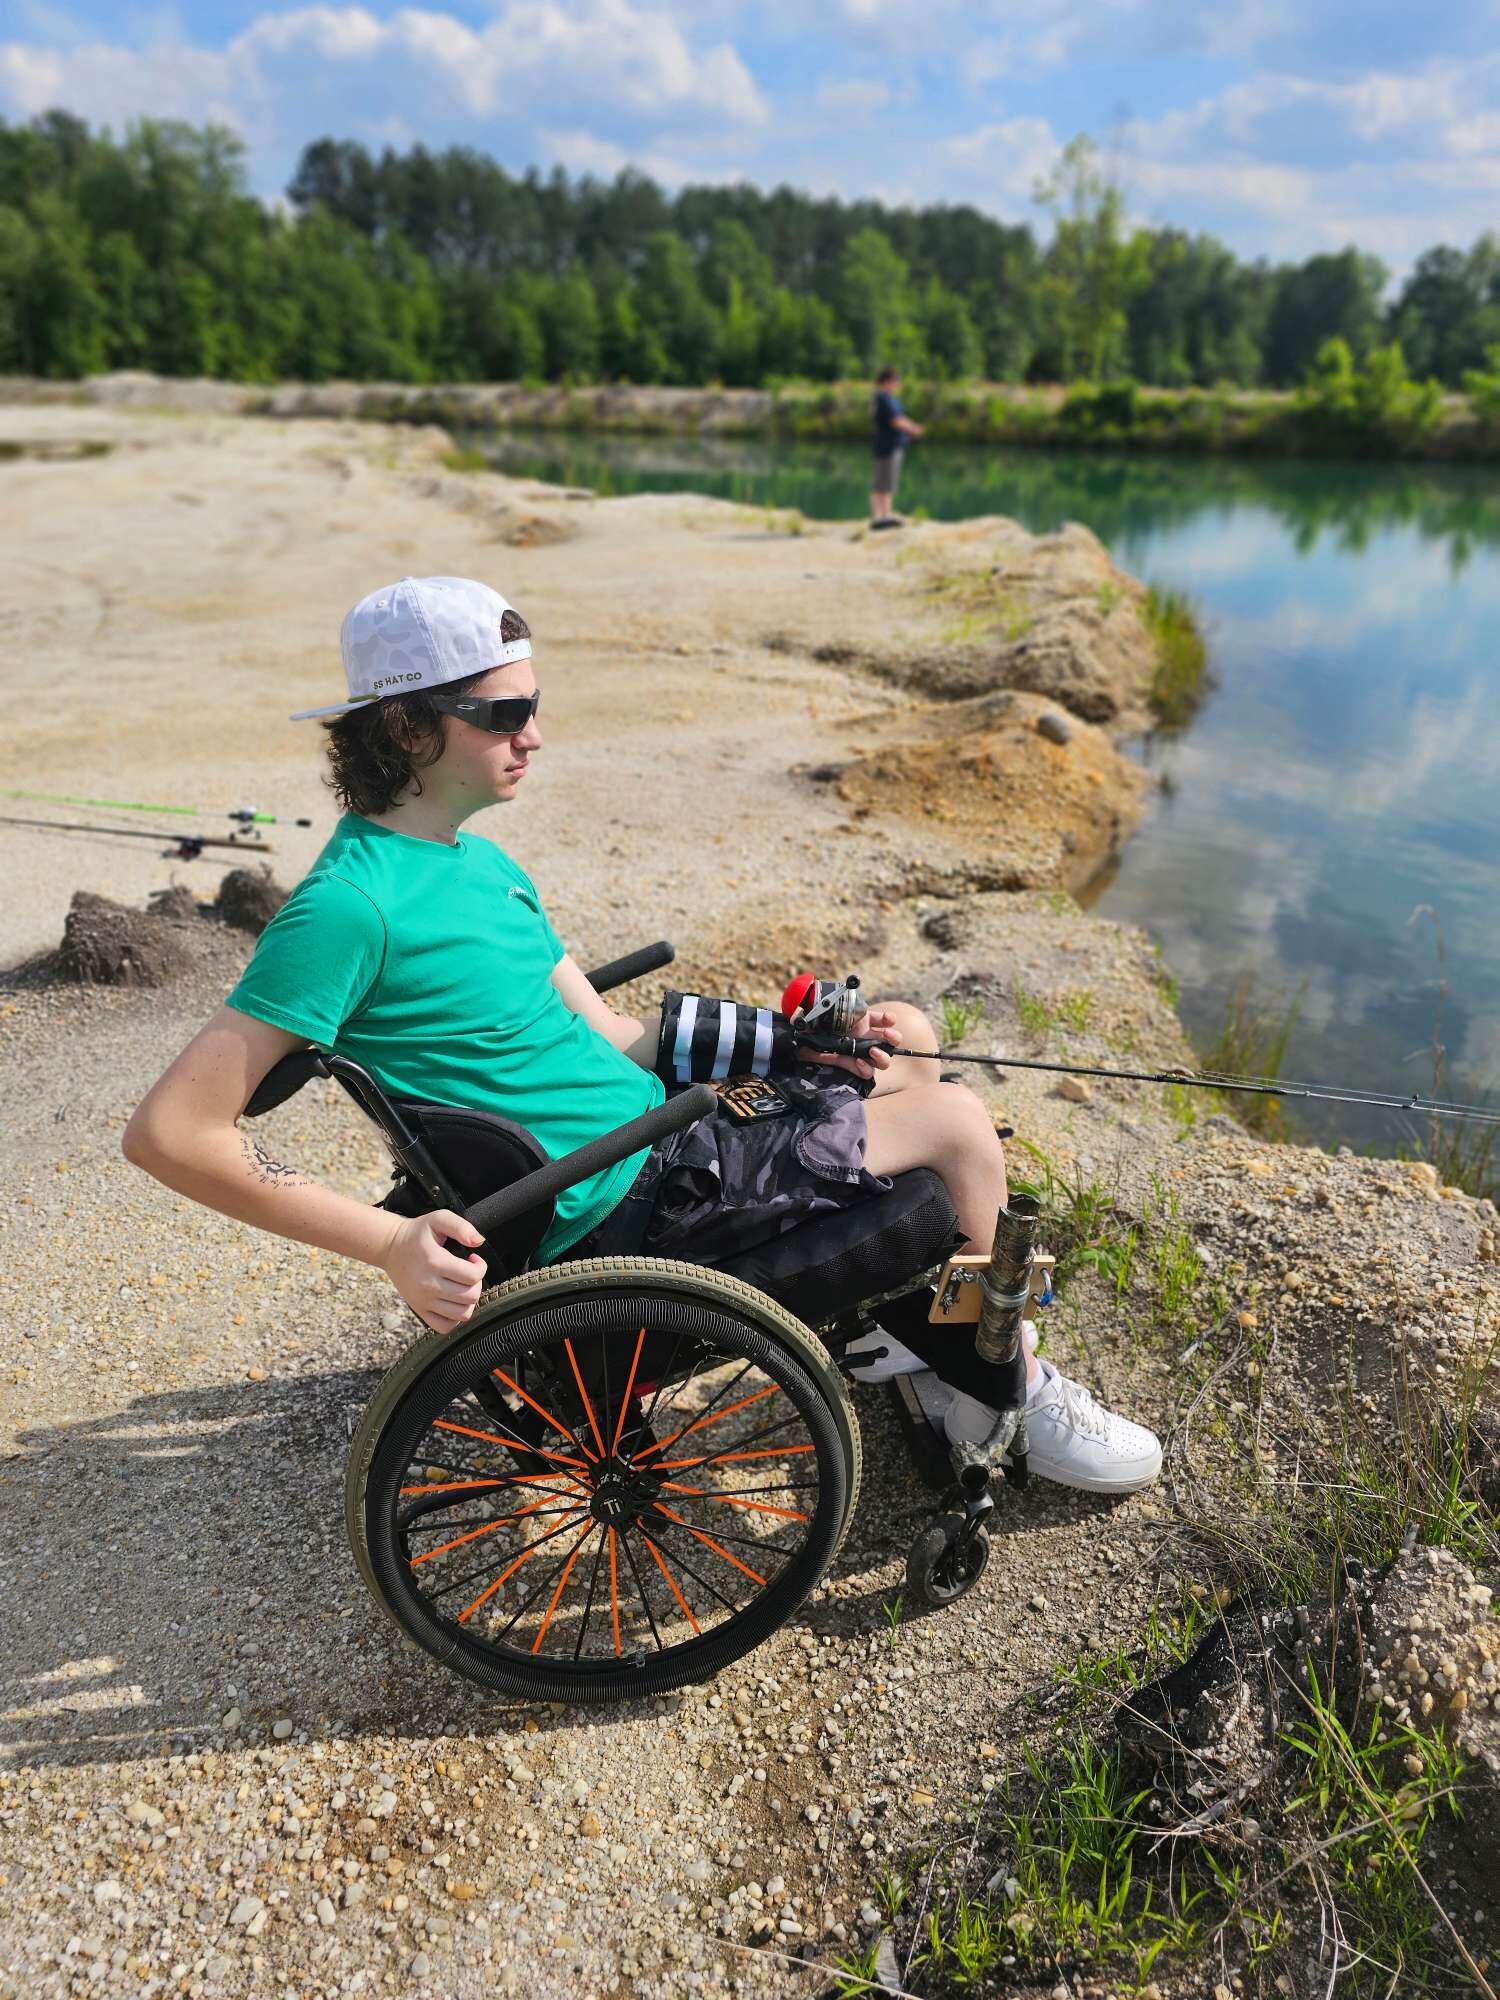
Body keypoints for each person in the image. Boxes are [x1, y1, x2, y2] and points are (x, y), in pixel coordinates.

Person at [123, 576, 1160, 1493]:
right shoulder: (348, 910)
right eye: (503, 713)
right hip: (633, 1204)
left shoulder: (479, 865)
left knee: (911, 1038)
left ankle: (936, 1353)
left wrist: (788, 1039)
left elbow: (618, 1035)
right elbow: (173, 1131)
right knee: (961, 1126)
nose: (532, 733)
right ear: (405, 729)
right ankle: (1003, 1388)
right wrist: (390, 1241)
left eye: (534, 706)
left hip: (659, 1140)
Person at [870, 366, 923, 530]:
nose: (897, 384)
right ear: (887, 382)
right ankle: (881, 517)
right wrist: (912, 428)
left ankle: (884, 516)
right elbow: (895, 420)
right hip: (887, 447)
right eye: (895, 381)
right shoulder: (884, 398)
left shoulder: (885, 398)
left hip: (888, 446)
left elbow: (899, 417)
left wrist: (911, 425)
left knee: (885, 483)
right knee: (884, 483)